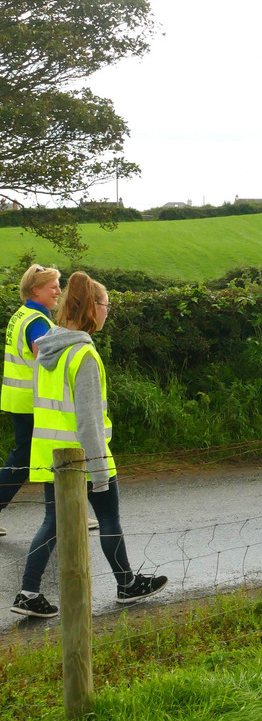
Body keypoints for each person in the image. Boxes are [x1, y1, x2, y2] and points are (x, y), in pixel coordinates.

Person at [10, 272, 167, 618]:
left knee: (54, 522)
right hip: (84, 455)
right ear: (93, 308)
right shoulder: (84, 355)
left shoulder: (48, 347)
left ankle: (27, 592)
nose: (108, 311)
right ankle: (126, 584)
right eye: (107, 305)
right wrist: (99, 470)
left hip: (52, 453)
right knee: (109, 517)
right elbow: (89, 421)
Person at [0, 265, 61, 539]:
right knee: (34, 457)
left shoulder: (21, 314)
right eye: (53, 286)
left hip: (20, 399)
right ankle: (67, 515)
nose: (58, 291)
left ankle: (67, 513)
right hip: (34, 401)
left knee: (32, 457)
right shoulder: (38, 321)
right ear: (36, 290)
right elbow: (47, 361)